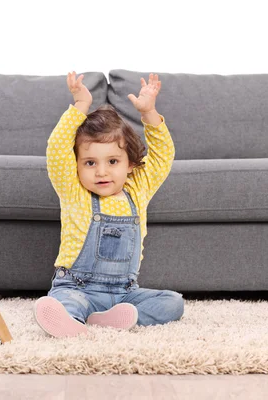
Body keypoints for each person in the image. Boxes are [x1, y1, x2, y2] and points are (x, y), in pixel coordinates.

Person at [34, 71, 185, 338]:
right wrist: (81, 104)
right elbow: (57, 147)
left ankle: (108, 320)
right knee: (66, 304)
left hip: (124, 292)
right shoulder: (73, 190)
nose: (102, 172)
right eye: (90, 163)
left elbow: (163, 155)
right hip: (77, 288)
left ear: (130, 165)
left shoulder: (138, 188)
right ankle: (72, 319)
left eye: (113, 161)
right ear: (77, 166)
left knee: (172, 303)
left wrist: (149, 112)